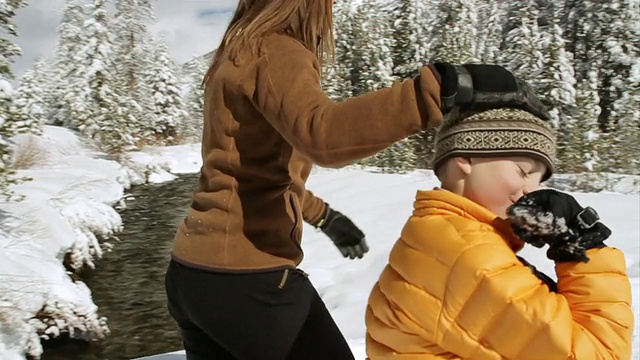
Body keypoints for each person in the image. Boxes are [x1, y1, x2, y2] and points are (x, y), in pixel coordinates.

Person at [164, 0, 552, 358]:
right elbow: (324, 135)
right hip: (248, 281)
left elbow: (247, 173)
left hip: (193, 276)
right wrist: (439, 90)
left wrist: (325, 217)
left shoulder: (239, 48)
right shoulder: (275, 49)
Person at [365, 108, 634, 359]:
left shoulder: (439, 236)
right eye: (523, 172)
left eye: (538, 180)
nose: (531, 190)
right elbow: (601, 352)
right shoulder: (470, 254)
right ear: (466, 159)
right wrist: (584, 244)